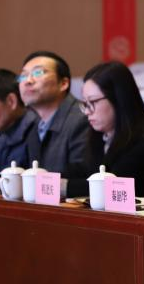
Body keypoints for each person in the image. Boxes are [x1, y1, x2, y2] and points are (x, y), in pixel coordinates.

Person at [67, 62, 144, 199]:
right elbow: (83, 170)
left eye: (93, 102)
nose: (87, 111)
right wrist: (49, 177)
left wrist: (62, 186)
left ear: (118, 98)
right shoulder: (100, 135)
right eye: (85, 103)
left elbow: (111, 186)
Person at [20, 51, 93, 194]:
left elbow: (82, 180)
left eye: (38, 73)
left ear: (63, 83)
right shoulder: (33, 124)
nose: (28, 81)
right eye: (23, 75)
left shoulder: (83, 119)